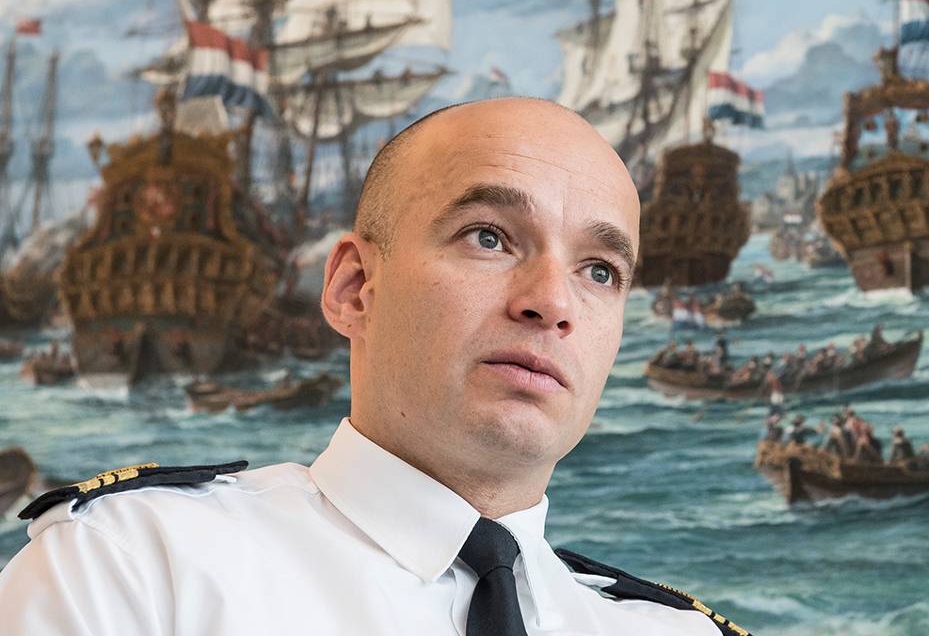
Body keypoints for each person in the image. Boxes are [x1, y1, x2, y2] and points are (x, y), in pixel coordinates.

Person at [0, 100, 747, 635]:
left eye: (600, 271)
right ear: (355, 288)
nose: (552, 303)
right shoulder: (131, 569)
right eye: (488, 237)